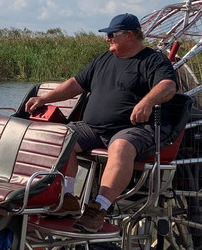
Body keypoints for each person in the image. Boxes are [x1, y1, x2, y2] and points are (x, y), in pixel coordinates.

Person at [25, 13, 178, 233]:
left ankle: (98, 208)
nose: (107, 39)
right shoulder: (103, 59)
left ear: (130, 35)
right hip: (93, 129)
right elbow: (75, 84)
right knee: (60, 138)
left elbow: (168, 86)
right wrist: (44, 99)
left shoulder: (153, 60)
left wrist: (147, 102)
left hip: (134, 129)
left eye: (112, 34)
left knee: (120, 146)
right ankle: (67, 198)